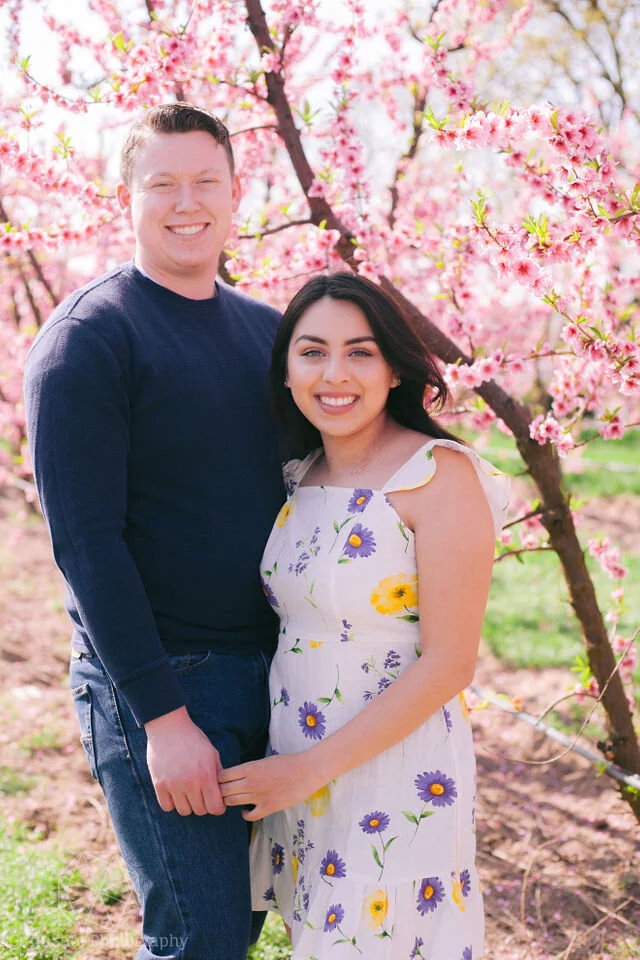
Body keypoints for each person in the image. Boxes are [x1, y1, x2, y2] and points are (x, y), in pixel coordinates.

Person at [23, 103, 285, 960]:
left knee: (239, 923)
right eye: (162, 183)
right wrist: (163, 720)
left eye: (206, 180)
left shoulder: (268, 332)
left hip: (276, 674)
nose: (187, 201)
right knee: (198, 937)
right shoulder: (89, 339)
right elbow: (86, 545)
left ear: (236, 193)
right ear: (126, 198)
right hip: (166, 682)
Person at [219, 273, 511, 959]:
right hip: (299, 764)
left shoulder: (438, 475)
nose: (335, 374)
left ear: (393, 369)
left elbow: (450, 663)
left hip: (391, 772)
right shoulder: (300, 474)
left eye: (361, 352)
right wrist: (296, 770)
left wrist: (309, 769)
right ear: (286, 370)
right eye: (313, 351)